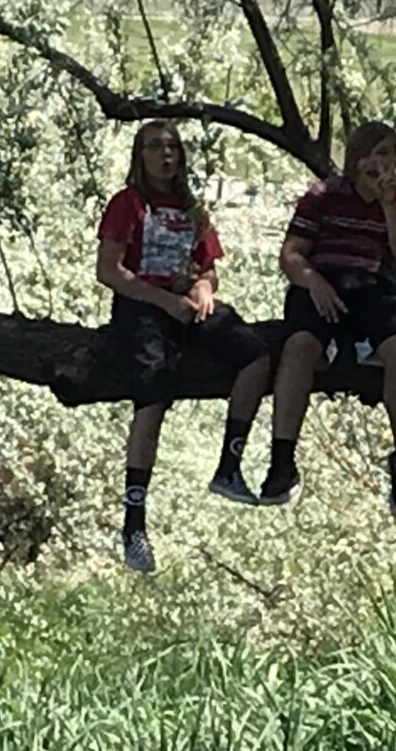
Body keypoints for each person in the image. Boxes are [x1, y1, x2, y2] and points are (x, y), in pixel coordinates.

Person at [96, 120, 272, 574]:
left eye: (172, 146)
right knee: (155, 391)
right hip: (142, 308)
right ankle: (134, 523)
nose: (166, 155)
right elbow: (109, 271)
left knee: (256, 356)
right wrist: (163, 302)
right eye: (155, 147)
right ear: (140, 156)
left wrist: (203, 289)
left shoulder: (193, 210)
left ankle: (229, 466)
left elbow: (208, 266)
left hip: (187, 304)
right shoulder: (127, 204)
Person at [261, 120, 396, 523]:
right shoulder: (324, 195)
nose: (377, 163)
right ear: (353, 162)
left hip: (370, 284)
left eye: (385, 154)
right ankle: (282, 459)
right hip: (320, 279)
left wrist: (389, 205)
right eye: (369, 155)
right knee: (300, 346)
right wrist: (313, 281)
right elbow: (291, 254)